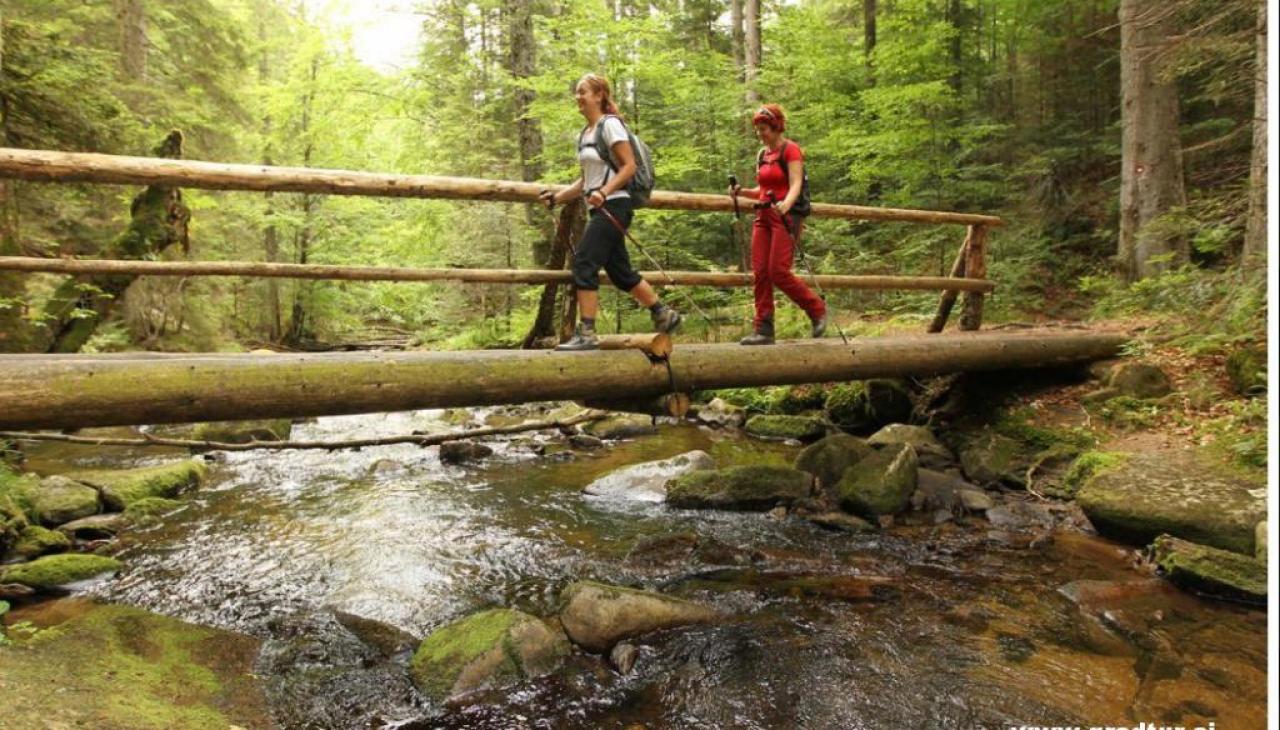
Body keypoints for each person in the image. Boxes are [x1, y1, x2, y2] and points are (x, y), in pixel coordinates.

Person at [539, 73, 681, 351]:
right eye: (577, 93)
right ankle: (663, 314)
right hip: (601, 207)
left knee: (584, 263)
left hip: (615, 204)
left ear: (599, 95)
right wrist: (557, 198)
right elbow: (585, 182)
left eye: (583, 92)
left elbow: (628, 167)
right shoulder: (585, 134)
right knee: (620, 272)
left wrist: (604, 192)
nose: (578, 97)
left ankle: (588, 333)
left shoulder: (610, 125)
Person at [729, 103, 826, 345]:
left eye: (764, 129)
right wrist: (742, 192)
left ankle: (817, 310)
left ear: (776, 127)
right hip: (763, 216)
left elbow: (795, 184)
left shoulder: (790, 150)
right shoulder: (762, 155)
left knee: (778, 271)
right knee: (760, 272)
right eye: (758, 130)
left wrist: (786, 204)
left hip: (786, 216)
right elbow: (762, 189)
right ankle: (763, 328)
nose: (760, 134)